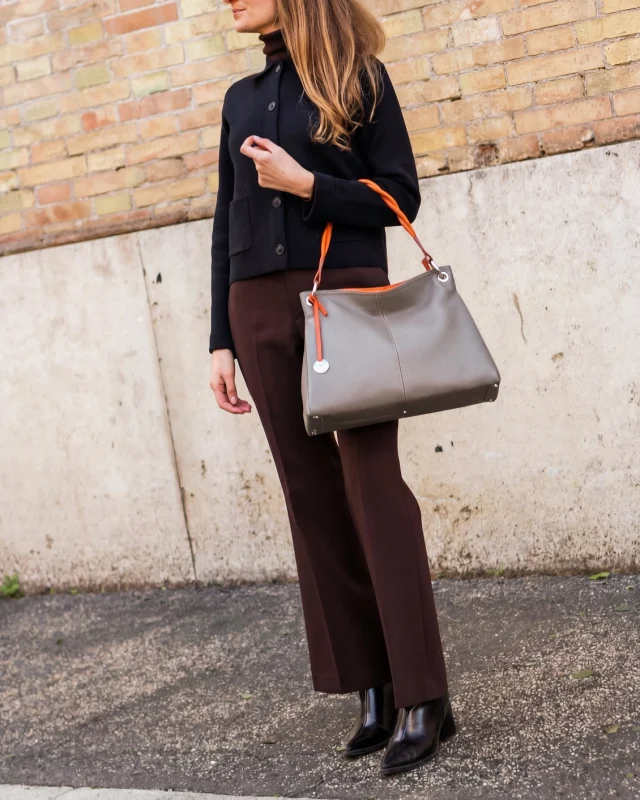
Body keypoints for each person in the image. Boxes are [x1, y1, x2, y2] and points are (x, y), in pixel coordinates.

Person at [208, 0, 456, 777]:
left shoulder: (360, 81)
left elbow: (398, 197)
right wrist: (219, 336)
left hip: (345, 298)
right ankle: (371, 687)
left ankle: (425, 695)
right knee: (310, 498)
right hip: (256, 306)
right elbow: (225, 220)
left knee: (373, 486)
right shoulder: (239, 100)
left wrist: (306, 183)